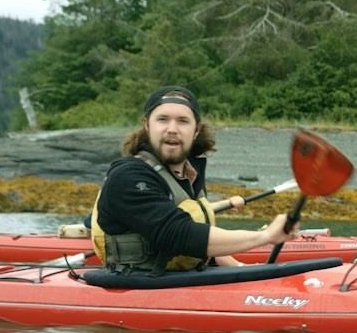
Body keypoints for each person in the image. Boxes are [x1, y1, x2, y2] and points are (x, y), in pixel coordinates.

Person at [91, 85, 299, 274]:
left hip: (178, 278)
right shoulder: (127, 176)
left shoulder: (189, 173)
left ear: (196, 130)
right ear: (147, 125)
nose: (172, 128)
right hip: (136, 285)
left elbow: (200, 234)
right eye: (162, 119)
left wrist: (242, 270)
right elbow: (179, 234)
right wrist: (264, 237)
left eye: (183, 121)